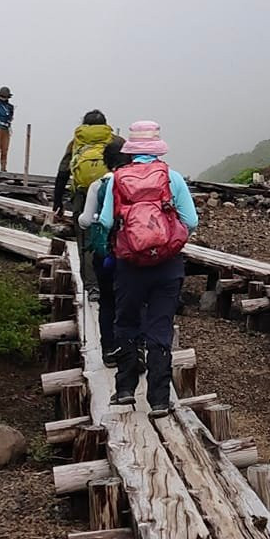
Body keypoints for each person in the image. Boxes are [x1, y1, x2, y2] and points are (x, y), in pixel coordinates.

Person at [95, 121, 198, 411]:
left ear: (131, 149)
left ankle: (126, 389)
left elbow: (103, 221)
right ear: (157, 148)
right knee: (160, 328)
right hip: (167, 265)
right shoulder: (172, 178)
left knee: (126, 323)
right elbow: (191, 221)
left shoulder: (117, 178)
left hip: (129, 265)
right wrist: (166, 237)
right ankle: (159, 399)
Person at [76, 138, 130, 365]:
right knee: (131, 301)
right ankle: (132, 350)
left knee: (107, 301)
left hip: (107, 254)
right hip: (132, 252)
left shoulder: (98, 185)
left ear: (106, 161)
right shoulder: (136, 182)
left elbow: (86, 221)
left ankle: (109, 350)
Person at [53, 110, 116, 215]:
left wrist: (57, 202)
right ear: (105, 125)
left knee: (80, 221)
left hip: (81, 192)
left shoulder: (76, 143)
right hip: (108, 193)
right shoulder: (116, 141)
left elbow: (63, 173)